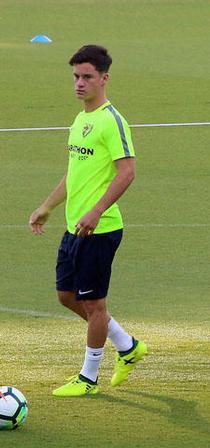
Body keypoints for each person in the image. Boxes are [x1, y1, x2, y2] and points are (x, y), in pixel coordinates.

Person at [29, 45, 147, 397]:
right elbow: (74, 175)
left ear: (104, 79)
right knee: (67, 296)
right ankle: (127, 346)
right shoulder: (81, 121)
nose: (79, 83)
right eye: (76, 77)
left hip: (101, 228)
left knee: (95, 305)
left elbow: (127, 172)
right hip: (74, 227)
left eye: (87, 77)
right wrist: (48, 206)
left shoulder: (112, 121)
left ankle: (89, 378)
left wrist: (96, 211)